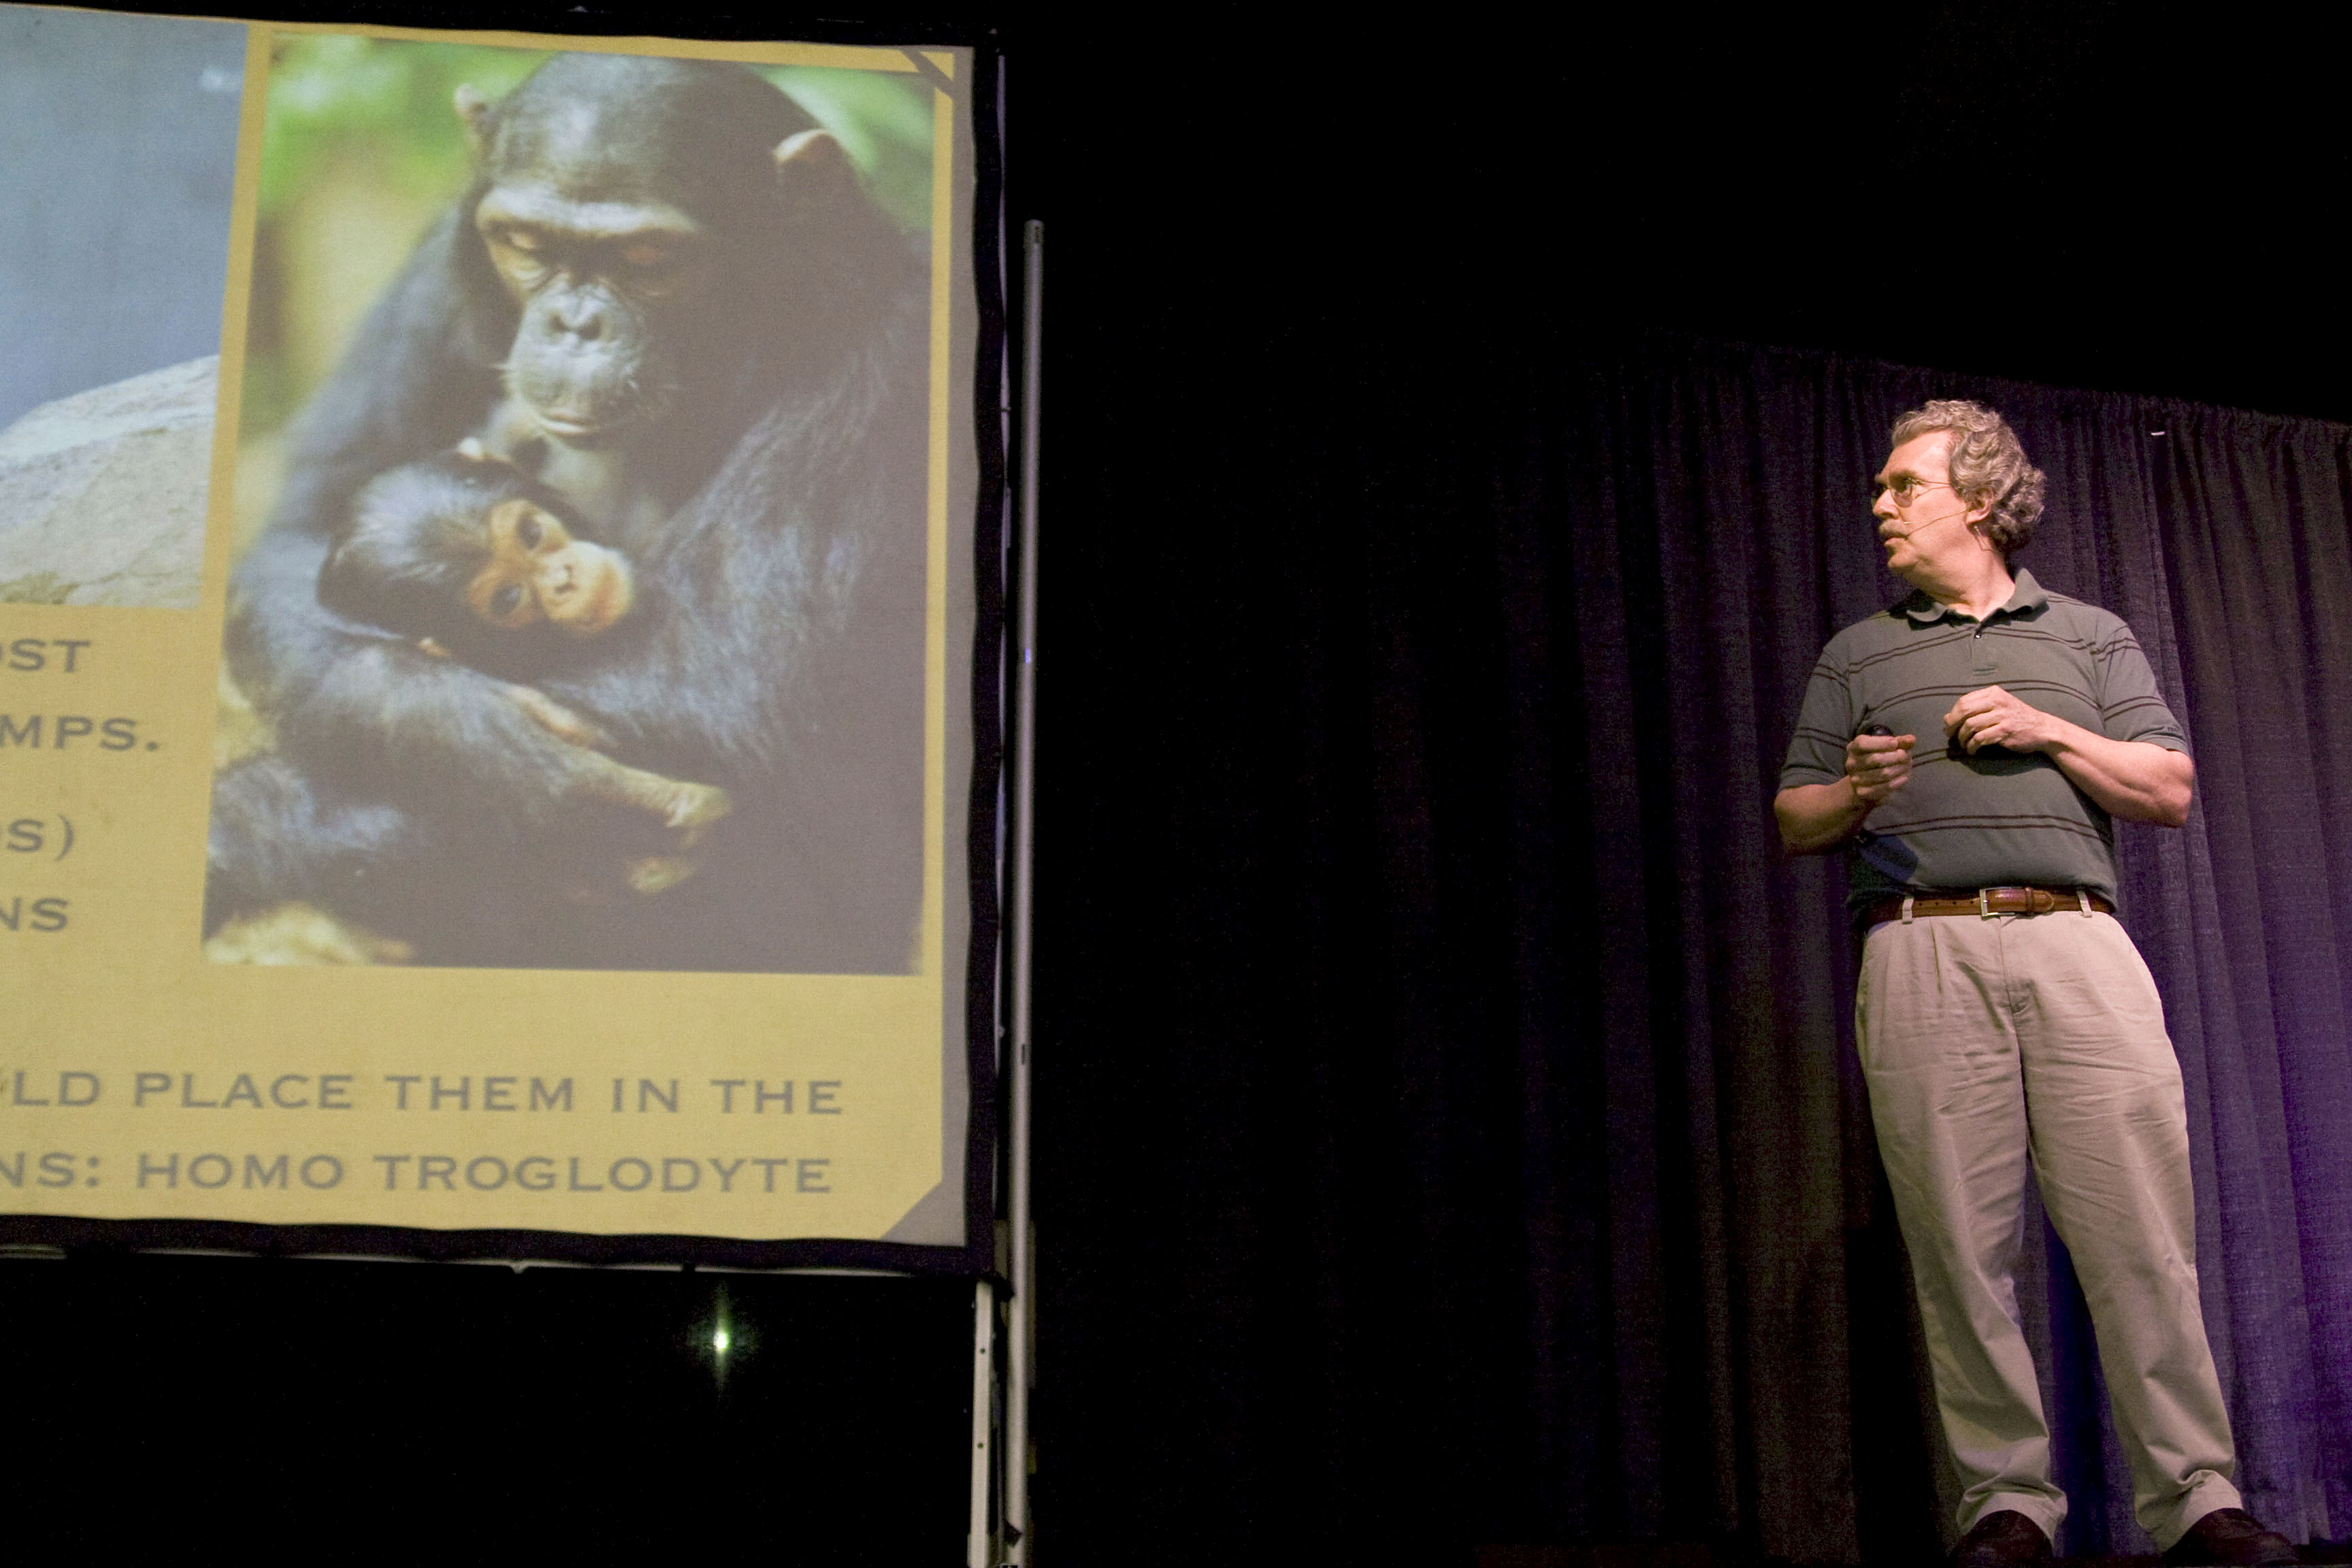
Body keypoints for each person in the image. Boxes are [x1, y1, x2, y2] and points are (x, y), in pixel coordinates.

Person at [1773, 401, 2296, 1568]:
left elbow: (2165, 786)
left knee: (2139, 1231)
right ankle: (2006, 1503)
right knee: (1960, 1243)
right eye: (1878, 487)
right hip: (1920, 946)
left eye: (1901, 484)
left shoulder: (2089, 635)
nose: (1880, 506)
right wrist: (1855, 788)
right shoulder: (1859, 651)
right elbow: (1793, 816)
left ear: (1976, 496)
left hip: (2075, 941)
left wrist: (2048, 728)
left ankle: (2196, 1495)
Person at [317, 444, 731, 887]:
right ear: (447, 652)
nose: (561, 576)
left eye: (532, 533)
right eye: (508, 598)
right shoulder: (535, 710)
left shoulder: (624, 497)